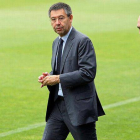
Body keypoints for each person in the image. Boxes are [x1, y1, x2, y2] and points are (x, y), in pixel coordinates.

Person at [38, 2, 105, 140]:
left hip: (78, 108)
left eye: (61, 18)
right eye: (53, 19)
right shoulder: (56, 42)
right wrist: (49, 76)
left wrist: (58, 78)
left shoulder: (83, 41)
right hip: (58, 106)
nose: (57, 23)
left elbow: (88, 73)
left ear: (70, 18)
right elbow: (62, 69)